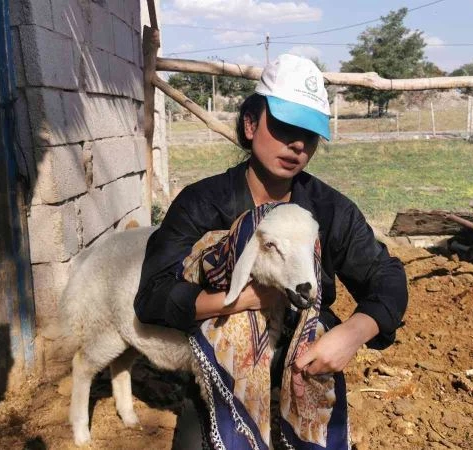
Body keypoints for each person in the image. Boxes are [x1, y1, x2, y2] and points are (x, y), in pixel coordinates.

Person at [134, 54, 408, 449]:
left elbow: (387, 277)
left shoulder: (329, 210)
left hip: (304, 365)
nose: (296, 144)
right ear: (250, 124)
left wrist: (352, 333)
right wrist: (242, 299)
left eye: (308, 135)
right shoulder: (203, 204)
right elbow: (153, 297)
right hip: (222, 372)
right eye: (283, 128)